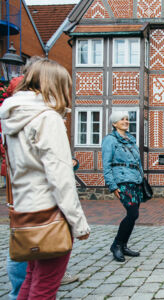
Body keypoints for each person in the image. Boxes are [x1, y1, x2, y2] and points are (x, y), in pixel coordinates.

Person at [0, 58, 90, 299]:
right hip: (50, 212)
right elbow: (61, 178)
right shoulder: (48, 118)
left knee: (31, 278)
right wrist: (78, 222)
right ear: (55, 86)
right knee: (46, 286)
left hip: (25, 209)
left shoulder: (13, 118)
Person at [102, 111, 143, 262]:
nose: (126, 121)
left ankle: (123, 245)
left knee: (134, 214)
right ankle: (116, 245)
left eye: (127, 119)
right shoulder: (110, 140)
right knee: (132, 213)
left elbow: (138, 162)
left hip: (135, 181)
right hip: (122, 181)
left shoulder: (131, 140)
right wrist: (112, 185)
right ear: (114, 123)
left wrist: (141, 179)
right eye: (122, 119)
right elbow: (106, 165)